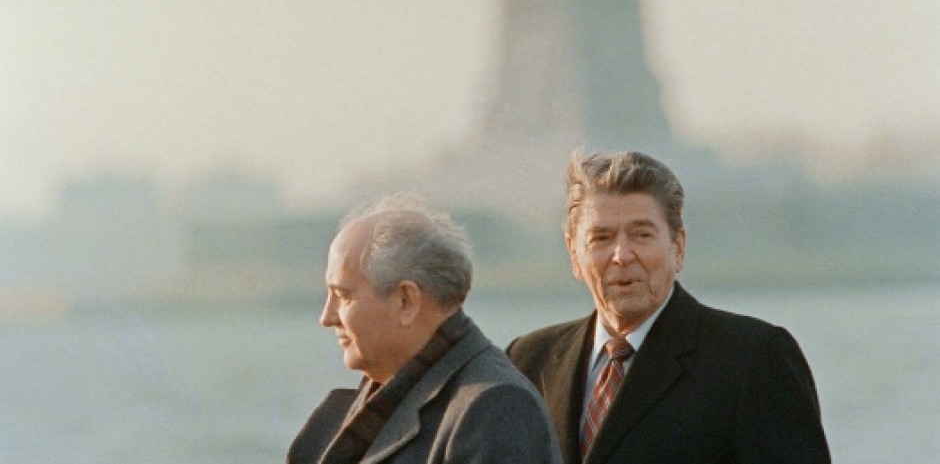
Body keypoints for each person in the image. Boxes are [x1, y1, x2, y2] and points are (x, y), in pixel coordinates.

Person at [506, 149, 830, 464]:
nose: (622, 255)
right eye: (601, 238)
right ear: (574, 254)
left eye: (642, 235)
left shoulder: (753, 359)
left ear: (678, 247)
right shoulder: (528, 360)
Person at [287, 192, 562, 464]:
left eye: (344, 296)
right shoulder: (365, 405)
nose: (327, 317)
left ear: (406, 301)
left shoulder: (496, 409)